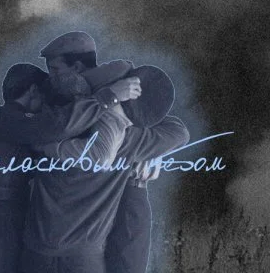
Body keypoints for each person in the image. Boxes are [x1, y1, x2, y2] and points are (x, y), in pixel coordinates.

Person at [21, 32, 189, 273]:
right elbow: (179, 132)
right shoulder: (128, 140)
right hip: (82, 257)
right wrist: (147, 140)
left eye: (55, 70)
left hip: (38, 251)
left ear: (76, 68)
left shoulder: (51, 120)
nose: (51, 78)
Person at [0, 61, 141, 273]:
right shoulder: (11, 120)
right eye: (43, 97)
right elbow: (58, 126)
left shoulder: (6, 120)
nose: (46, 107)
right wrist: (108, 97)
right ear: (33, 90)